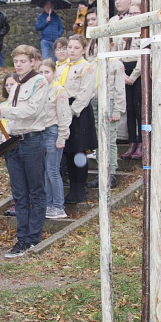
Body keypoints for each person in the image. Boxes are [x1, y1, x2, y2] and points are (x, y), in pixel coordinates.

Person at [0, 45, 50, 258]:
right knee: (19, 194)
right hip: (13, 144)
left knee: (36, 191)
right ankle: (21, 238)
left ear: (33, 61)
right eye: (16, 62)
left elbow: (31, 111)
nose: (19, 65)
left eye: (23, 61)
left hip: (32, 141)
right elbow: (8, 117)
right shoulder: (15, 85)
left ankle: (33, 239)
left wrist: (2, 110)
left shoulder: (39, 82)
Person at [84, 9, 126, 189]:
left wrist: (117, 110)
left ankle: (111, 173)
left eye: (104, 43)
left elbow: (119, 89)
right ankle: (101, 171)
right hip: (94, 103)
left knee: (109, 139)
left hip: (109, 103)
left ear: (110, 45)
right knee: (98, 140)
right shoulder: (93, 64)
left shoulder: (116, 63)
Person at [58, 35, 97, 204]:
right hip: (62, 110)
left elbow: (85, 93)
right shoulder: (61, 67)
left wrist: (71, 112)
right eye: (69, 47)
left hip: (77, 113)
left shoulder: (86, 68)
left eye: (76, 48)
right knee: (68, 151)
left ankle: (79, 189)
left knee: (78, 152)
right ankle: (72, 187)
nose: (71, 51)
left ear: (83, 49)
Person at [110, 0, 143, 160]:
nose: (133, 17)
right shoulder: (122, 28)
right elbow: (117, 50)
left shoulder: (142, 29)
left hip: (138, 73)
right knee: (129, 109)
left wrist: (134, 76)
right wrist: (122, 74)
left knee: (139, 109)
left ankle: (142, 143)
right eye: (131, 14)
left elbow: (144, 54)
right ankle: (132, 143)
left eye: (136, 13)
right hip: (124, 70)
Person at [38, 60, 71, 219]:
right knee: (45, 171)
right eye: (41, 72)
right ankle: (48, 204)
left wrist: (62, 137)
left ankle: (58, 206)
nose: (43, 75)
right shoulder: (39, 90)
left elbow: (65, 116)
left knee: (53, 170)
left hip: (53, 131)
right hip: (41, 132)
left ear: (54, 73)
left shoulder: (59, 91)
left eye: (47, 72)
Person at [0, 72, 18, 218]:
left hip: (17, 143)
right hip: (6, 146)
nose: (9, 87)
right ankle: (17, 202)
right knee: (13, 177)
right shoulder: (2, 106)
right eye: (7, 84)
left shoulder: (18, 104)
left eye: (12, 84)